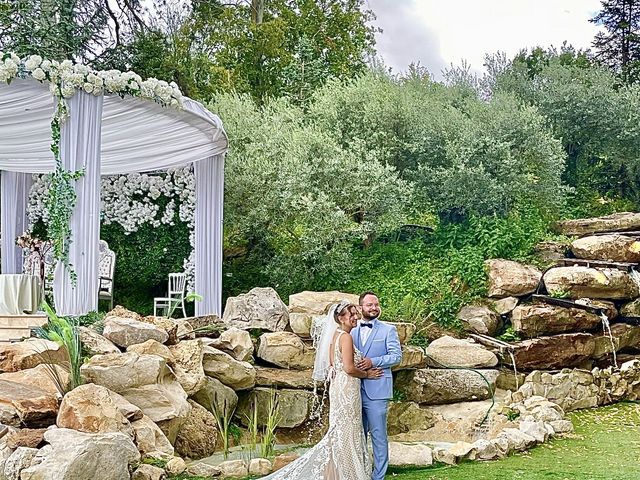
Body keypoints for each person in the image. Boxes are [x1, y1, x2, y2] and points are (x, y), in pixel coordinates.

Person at [262, 300, 383, 480]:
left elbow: (335, 366)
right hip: (348, 388)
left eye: (356, 313)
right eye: (352, 314)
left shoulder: (335, 336)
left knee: (340, 430)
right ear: (341, 318)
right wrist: (368, 375)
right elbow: (349, 368)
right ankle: (348, 474)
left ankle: (333, 475)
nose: (356, 317)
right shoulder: (346, 337)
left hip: (339, 386)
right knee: (347, 430)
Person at [351, 292, 402, 480]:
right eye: (369, 305)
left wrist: (373, 361)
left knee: (378, 436)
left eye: (376, 304)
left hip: (378, 390)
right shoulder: (351, 330)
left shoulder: (389, 330)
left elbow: (396, 357)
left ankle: (378, 476)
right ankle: (359, 472)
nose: (374, 308)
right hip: (353, 389)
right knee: (357, 435)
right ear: (360, 308)